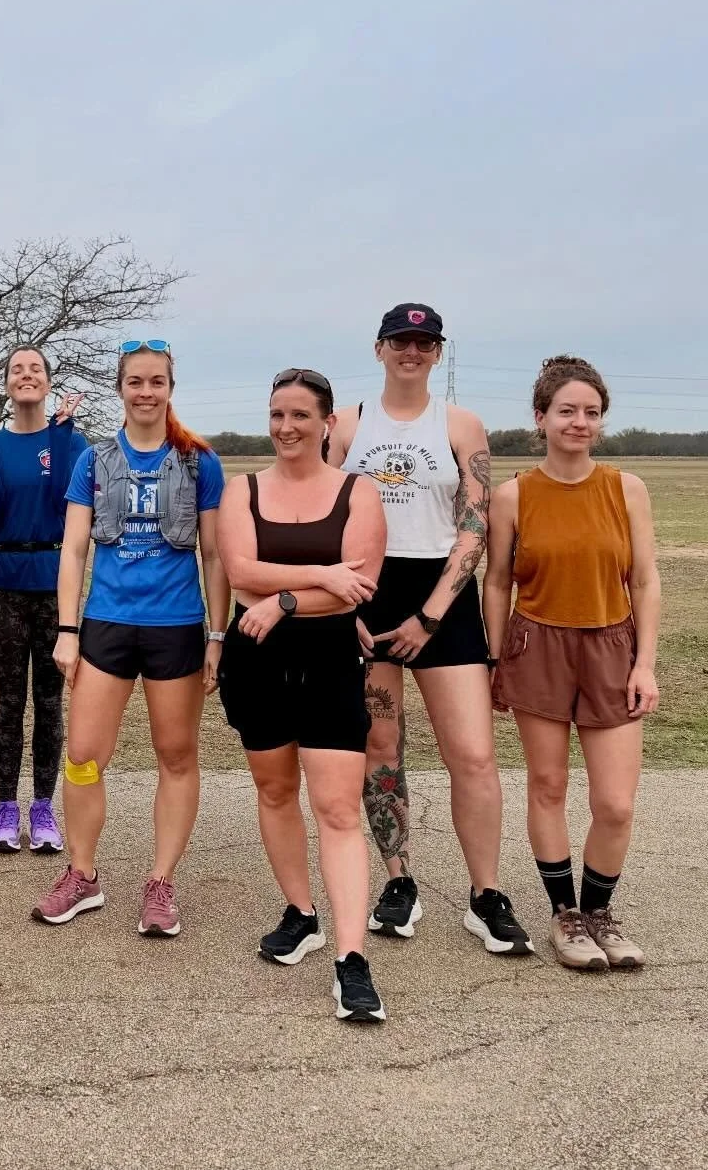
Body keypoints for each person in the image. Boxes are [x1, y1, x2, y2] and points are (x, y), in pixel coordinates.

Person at [331, 303, 532, 955]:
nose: (410, 351)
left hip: (441, 597)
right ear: (379, 347)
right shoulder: (348, 425)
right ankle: (399, 882)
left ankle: (485, 893)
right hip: (365, 591)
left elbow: (474, 525)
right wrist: (351, 608)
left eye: (423, 342)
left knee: (472, 754)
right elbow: (326, 519)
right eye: (400, 340)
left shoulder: (462, 424)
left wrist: (430, 614)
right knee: (381, 747)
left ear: (438, 352)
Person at [31, 339, 227, 940]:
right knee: (84, 754)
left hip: (176, 628)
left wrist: (216, 636)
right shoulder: (93, 461)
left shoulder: (199, 462)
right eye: (135, 381)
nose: (146, 391)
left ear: (171, 388)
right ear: (120, 388)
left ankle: (161, 882)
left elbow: (216, 555)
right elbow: (73, 549)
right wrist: (67, 630)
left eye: (157, 381)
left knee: (175, 755)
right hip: (107, 626)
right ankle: (83, 873)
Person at [219, 368, 390, 1021]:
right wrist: (321, 572)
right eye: (276, 414)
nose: (286, 427)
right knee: (274, 789)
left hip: (328, 657)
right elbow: (240, 570)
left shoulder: (358, 493)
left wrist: (285, 598)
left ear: (327, 424)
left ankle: (352, 958)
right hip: (256, 658)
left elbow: (363, 585)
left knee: (339, 807)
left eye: (299, 415)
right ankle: (302, 911)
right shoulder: (246, 491)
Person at [484, 357, 660, 971]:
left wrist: (646, 664)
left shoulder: (625, 488)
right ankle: (567, 917)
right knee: (549, 785)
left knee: (615, 803)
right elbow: (497, 581)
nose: (579, 422)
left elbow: (644, 579)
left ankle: (600, 912)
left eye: (591, 412)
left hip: (613, 646)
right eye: (567, 411)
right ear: (541, 417)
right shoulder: (513, 495)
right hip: (539, 646)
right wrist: (496, 655)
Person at [0, 347, 88, 854]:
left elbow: (62, 504)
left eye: (36, 369)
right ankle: (7, 807)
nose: (26, 375)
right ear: (8, 383)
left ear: (48, 382)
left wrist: (59, 434)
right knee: (10, 701)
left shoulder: (70, 443)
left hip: (56, 583)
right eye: (17, 370)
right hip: (5, 581)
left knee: (50, 701)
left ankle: (43, 808)